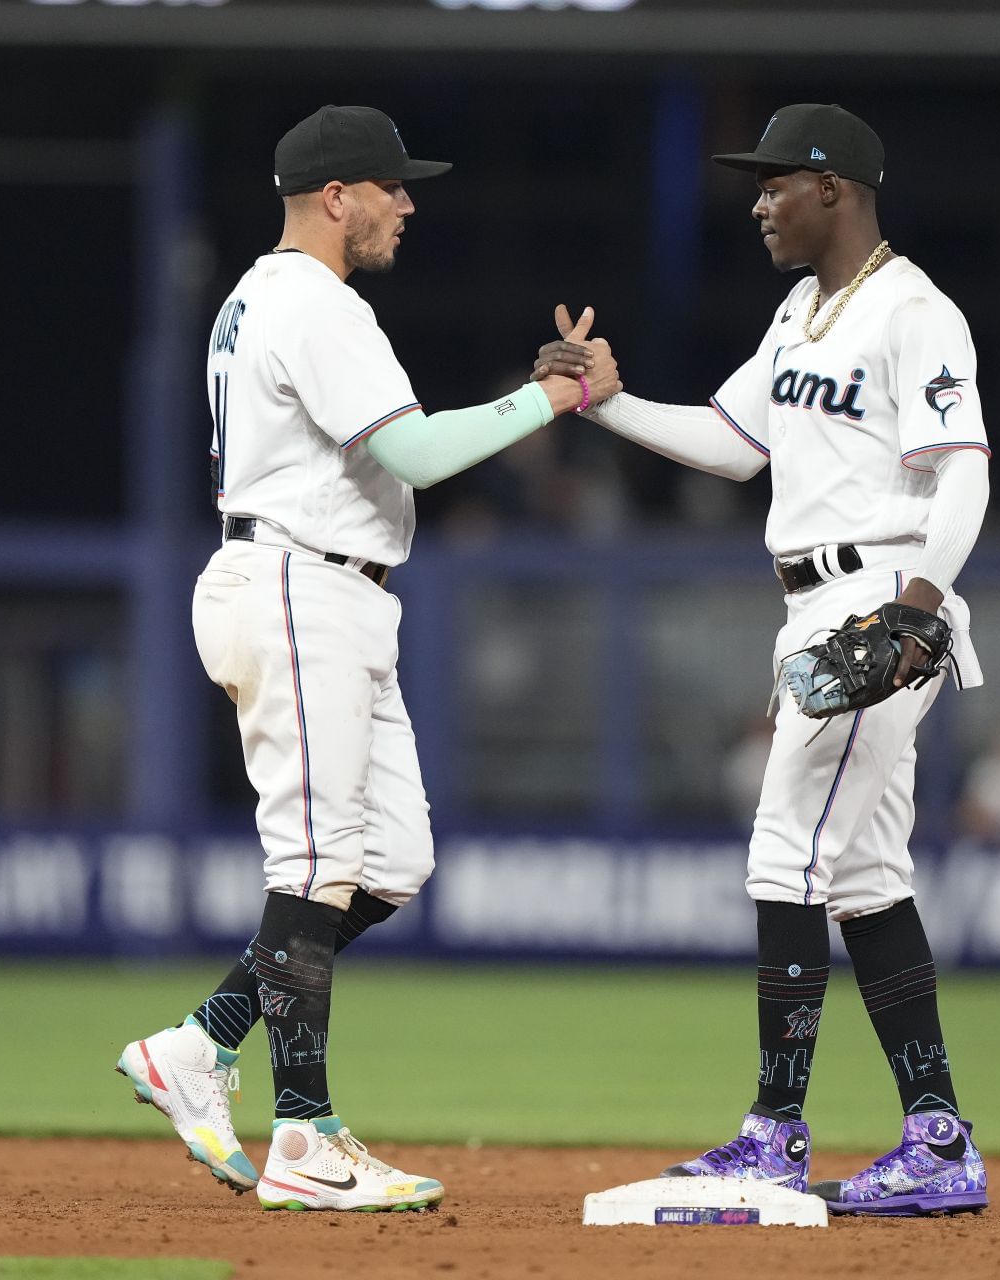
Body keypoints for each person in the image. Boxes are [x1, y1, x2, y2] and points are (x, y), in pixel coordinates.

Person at [115, 104, 618, 1214]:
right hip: (300, 583)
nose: (408, 203)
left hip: (322, 585)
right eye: (392, 186)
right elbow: (422, 452)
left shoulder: (259, 297)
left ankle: (201, 1043)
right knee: (316, 858)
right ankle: (305, 1134)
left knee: (392, 856)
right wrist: (555, 393)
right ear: (336, 196)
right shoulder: (312, 300)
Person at [540, 103, 991, 1215]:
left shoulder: (913, 309)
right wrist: (606, 401)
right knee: (867, 876)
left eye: (775, 181)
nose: (757, 200)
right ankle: (935, 1138)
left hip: (880, 595)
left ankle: (773, 1133)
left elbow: (965, 471)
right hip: (814, 600)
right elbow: (733, 445)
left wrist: (916, 611)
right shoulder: (801, 311)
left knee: (783, 851)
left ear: (832, 187)